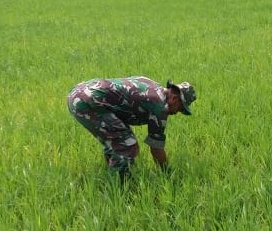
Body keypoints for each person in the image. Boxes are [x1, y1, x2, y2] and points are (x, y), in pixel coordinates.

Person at [67, 76, 196, 178]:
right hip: (87, 102)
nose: (177, 112)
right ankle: (120, 187)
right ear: (174, 98)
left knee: (119, 134)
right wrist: (167, 173)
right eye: (180, 108)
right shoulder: (159, 107)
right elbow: (156, 148)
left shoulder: (153, 86)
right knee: (127, 144)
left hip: (78, 92)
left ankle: (112, 166)